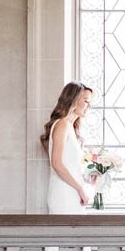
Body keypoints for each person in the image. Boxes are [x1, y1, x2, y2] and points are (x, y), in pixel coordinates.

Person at [41, 82, 94, 213]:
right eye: (86, 101)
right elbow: (57, 163)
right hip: (64, 193)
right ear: (74, 99)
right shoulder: (62, 125)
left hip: (73, 192)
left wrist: (88, 178)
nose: (89, 106)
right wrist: (80, 189)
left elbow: (71, 165)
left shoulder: (70, 127)